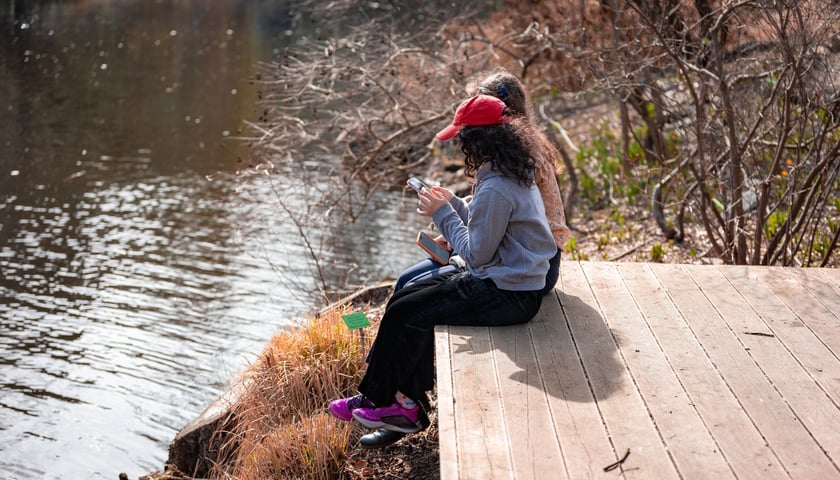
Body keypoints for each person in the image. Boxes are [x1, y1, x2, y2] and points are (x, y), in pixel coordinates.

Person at [360, 69, 572, 448]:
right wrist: (455, 204)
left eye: (464, 140)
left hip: (514, 279)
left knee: (412, 303)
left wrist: (446, 215)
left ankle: (389, 397)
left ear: (481, 139)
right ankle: (392, 393)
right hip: (513, 271)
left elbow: (478, 253)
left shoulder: (506, 177)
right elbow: (492, 218)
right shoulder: (510, 164)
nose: (461, 148)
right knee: (408, 293)